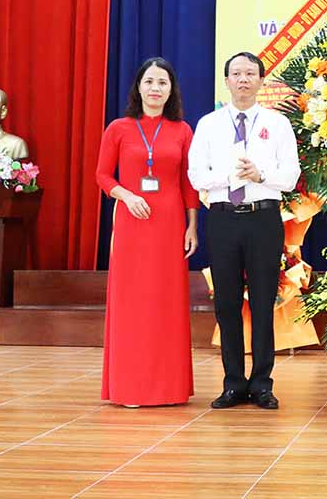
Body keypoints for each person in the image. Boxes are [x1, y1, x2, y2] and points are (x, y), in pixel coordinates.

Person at [188, 51, 300, 410]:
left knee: (264, 302)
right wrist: (231, 176)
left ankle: (262, 383)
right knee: (227, 303)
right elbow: (196, 175)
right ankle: (233, 383)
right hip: (223, 219)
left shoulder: (277, 124)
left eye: (250, 74)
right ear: (226, 81)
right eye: (236, 74)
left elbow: (291, 176)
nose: (243, 80)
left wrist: (260, 175)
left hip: (263, 219)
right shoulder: (209, 124)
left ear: (261, 80)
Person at [95, 57, 199, 407]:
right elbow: (102, 175)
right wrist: (126, 195)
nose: (156, 88)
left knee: (167, 302)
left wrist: (192, 226)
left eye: (162, 83)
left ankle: (169, 388)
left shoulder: (182, 131)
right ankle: (130, 387)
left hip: (170, 225)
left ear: (171, 91)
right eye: (150, 81)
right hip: (132, 224)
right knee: (132, 302)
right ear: (138, 87)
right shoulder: (118, 128)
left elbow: (188, 183)